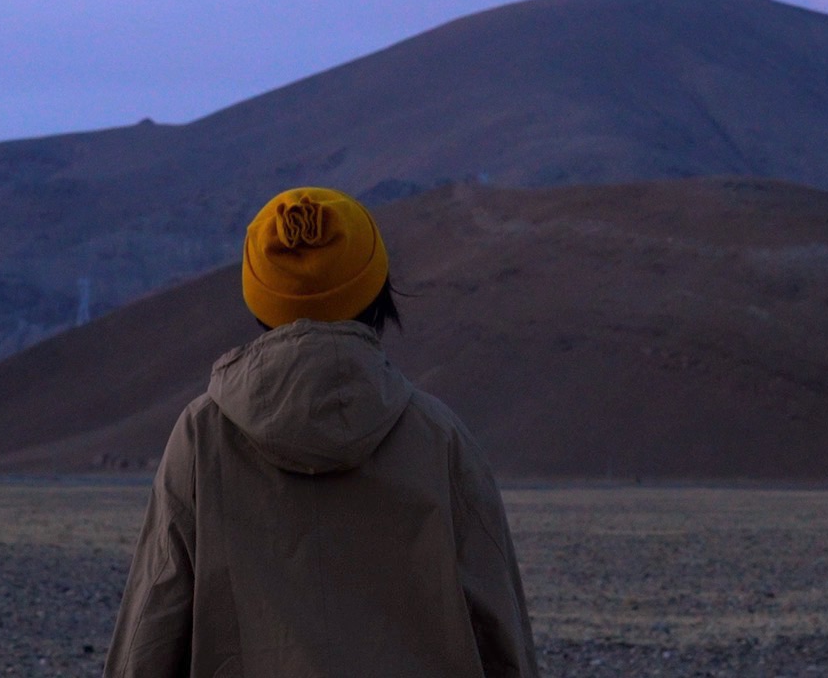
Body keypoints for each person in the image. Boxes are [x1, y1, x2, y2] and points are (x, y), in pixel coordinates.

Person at [105, 186, 539, 678]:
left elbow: (153, 623)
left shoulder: (202, 436)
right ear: (377, 291)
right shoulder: (439, 437)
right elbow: (498, 629)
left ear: (259, 298)